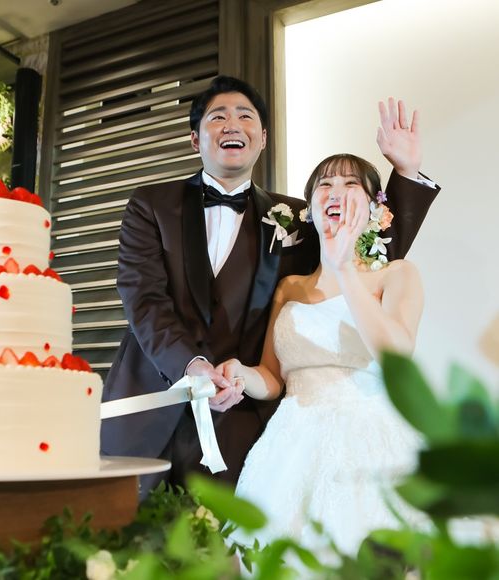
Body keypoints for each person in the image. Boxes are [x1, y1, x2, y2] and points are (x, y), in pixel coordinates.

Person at [100, 75, 439, 497]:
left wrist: (405, 172)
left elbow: (364, 251)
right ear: (194, 138)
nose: (232, 124)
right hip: (150, 405)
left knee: (226, 537)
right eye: (217, 117)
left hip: (240, 421)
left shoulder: (296, 216)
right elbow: (144, 300)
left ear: (262, 139)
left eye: (245, 116)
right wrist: (191, 364)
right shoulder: (151, 205)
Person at [221, 153, 425, 558]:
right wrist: (239, 373)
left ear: (376, 209)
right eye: (325, 185)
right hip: (289, 444)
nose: (336, 192)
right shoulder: (290, 288)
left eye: (351, 184)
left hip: (368, 438)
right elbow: (273, 377)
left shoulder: (397, 274)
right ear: (310, 210)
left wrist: (344, 268)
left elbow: (396, 357)